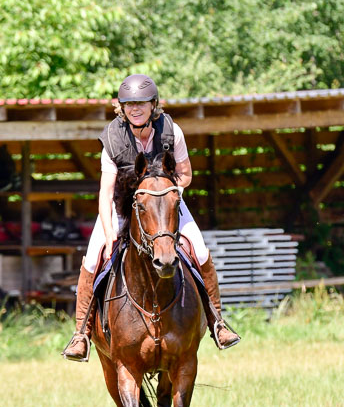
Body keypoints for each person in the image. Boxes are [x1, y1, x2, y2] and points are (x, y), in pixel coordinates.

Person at [62, 74, 240, 361]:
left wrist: (165, 195)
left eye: (141, 103)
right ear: (122, 107)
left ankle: (217, 323)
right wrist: (109, 233)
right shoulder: (112, 138)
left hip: (165, 204)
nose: (135, 109)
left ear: (153, 105)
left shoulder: (172, 131)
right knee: (94, 258)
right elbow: (105, 192)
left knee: (200, 250)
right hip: (122, 206)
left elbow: (186, 174)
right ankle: (81, 333)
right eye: (129, 104)